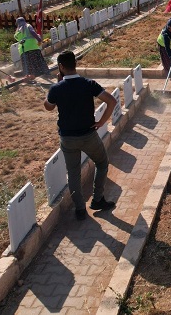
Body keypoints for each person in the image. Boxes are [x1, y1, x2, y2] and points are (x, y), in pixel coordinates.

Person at [44, 50, 117, 220]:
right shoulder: (88, 84)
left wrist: (53, 89)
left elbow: (49, 107)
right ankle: (98, 199)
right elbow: (111, 101)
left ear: (61, 67)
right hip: (88, 135)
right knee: (102, 162)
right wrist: (101, 122)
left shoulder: (56, 88)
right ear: (75, 64)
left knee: (73, 172)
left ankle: (80, 209)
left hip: (67, 139)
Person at [15, 17, 49, 82]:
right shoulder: (28, 26)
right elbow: (32, 32)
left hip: (23, 50)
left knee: (27, 64)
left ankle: (29, 78)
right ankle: (46, 74)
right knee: (38, 62)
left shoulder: (17, 32)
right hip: (33, 47)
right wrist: (39, 39)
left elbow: (17, 38)